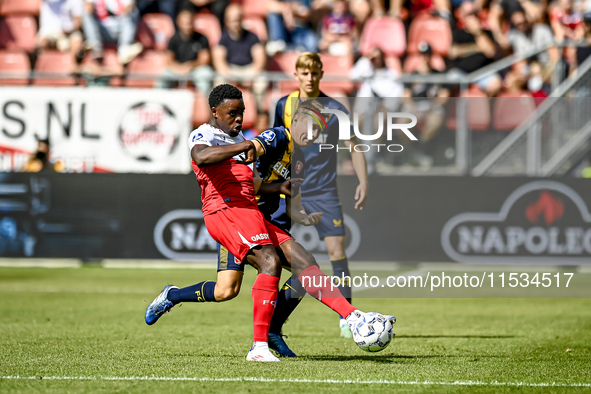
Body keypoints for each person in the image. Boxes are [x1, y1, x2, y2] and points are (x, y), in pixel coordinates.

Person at [145, 84, 394, 362]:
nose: (239, 119)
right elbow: (201, 157)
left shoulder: (248, 141)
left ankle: (352, 316)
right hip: (225, 212)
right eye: (232, 113)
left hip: (250, 212)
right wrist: (248, 145)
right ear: (215, 112)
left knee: (289, 266)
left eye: (242, 113)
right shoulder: (206, 134)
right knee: (270, 262)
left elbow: (252, 185)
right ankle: (259, 347)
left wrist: (278, 189)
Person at [272, 52, 369, 338]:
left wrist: (363, 181)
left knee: (337, 253)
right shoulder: (284, 104)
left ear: (321, 75)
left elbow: (354, 145)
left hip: (325, 191)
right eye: (305, 73)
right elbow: (276, 140)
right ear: (297, 75)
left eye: (314, 73)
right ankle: (275, 322)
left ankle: (348, 317)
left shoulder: (335, 108)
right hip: (290, 191)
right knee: (278, 259)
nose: (310, 78)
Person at [212, 3, 267, 109]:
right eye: (232, 19)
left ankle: (260, 114)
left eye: (237, 19)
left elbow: (260, 60)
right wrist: (232, 78)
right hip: (230, 70)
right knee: (218, 81)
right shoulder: (223, 38)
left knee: (262, 80)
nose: (235, 23)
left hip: (249, 70)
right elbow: (219, 63)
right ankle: (219, 115)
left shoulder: (252, 37)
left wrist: (251, 77)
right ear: (226, 21)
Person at [156, 7, 214, 93]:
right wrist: (179, 68)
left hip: (196, 69)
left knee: (206, 75)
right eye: (184, 23)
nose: (187, 26)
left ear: (193, 22)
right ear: (178, 23)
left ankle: (206, 104)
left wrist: (191, 66)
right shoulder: (173, 39)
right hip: (177, 69)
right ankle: (160, 103)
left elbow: (205, 59)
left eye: (189, 23)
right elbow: (168, 60)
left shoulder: (202, 38)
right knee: (163, 78)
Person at [81, 0, 143, 65]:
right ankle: (96, 48)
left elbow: (129, 5)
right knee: (85, 12)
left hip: (120, 28)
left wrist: (126, 9)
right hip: (101, 29)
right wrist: (89, 6)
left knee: (134, 11)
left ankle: (124, 48)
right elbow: (88, 6)